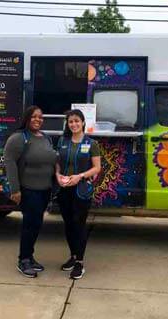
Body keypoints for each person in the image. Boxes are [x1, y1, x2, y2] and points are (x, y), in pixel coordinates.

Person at [3, 105, 57, 278]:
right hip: (28, 190)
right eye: (34, 116)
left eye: (40, 117)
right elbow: (10, 162)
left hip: (44, 190)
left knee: (37, 224)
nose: (37, 120)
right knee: (29, 225)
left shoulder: (46, 138)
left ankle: (30, 256)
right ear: (27, 118)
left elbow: (53, 160)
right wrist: (15, 190)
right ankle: (23, 260)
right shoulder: (19, 138)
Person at [55, 109, 101, 279]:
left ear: (83, 122)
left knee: (79, 224)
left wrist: (80, 176)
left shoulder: (92, 143)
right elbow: (58, 163)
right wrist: (58, 175)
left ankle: (79, 263)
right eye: (70, 122)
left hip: (81, 189)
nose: (74, 124)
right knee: (68, 224)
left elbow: (97, 168)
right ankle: (73, 256)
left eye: (76, 121)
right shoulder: (63, 141)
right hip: (64, 188)